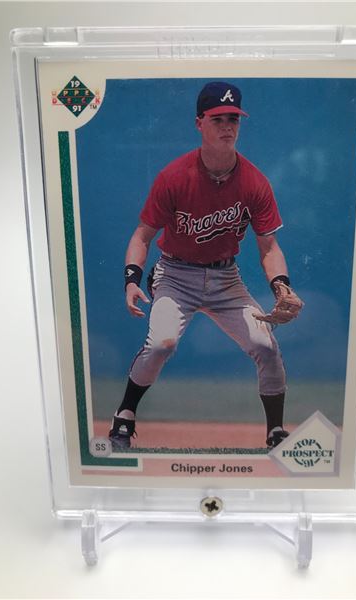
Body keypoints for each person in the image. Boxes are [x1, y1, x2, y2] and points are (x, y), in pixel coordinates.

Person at [110, 81, 303, 450]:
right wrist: (131, 279)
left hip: (226, 279)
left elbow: (269, 247)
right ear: (199, 123)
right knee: (162, 344)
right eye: (218, 119)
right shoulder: (174, 177)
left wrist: (281, 285)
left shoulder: (254, 182)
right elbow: (142, 236)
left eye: (233, 119)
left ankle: (276, 431)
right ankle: (125, 414)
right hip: (175, 274)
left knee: (265, 345)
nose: (227, 126)